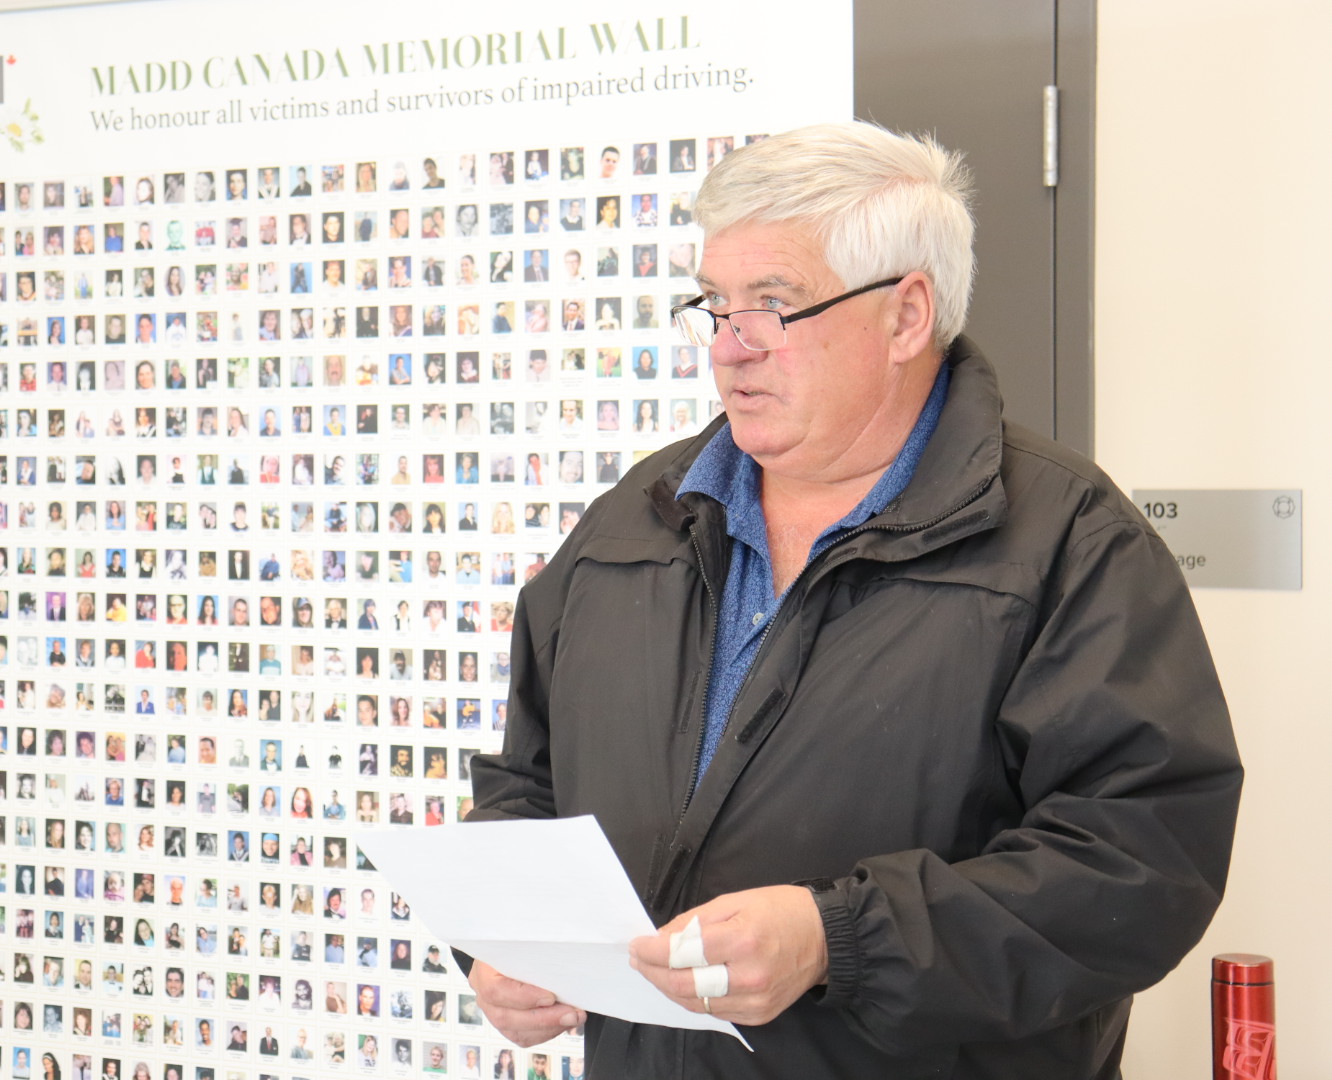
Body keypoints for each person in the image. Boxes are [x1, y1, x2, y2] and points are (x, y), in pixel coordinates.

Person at [463, 122, 1241, 1078]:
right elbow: (524, 784)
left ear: (907, 315)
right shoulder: (636, 521)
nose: (728, 349)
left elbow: (1144, 862)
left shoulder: (1071, 544)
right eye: (715, 305)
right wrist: (508, 940)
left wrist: (842, 938)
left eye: (773, 306)